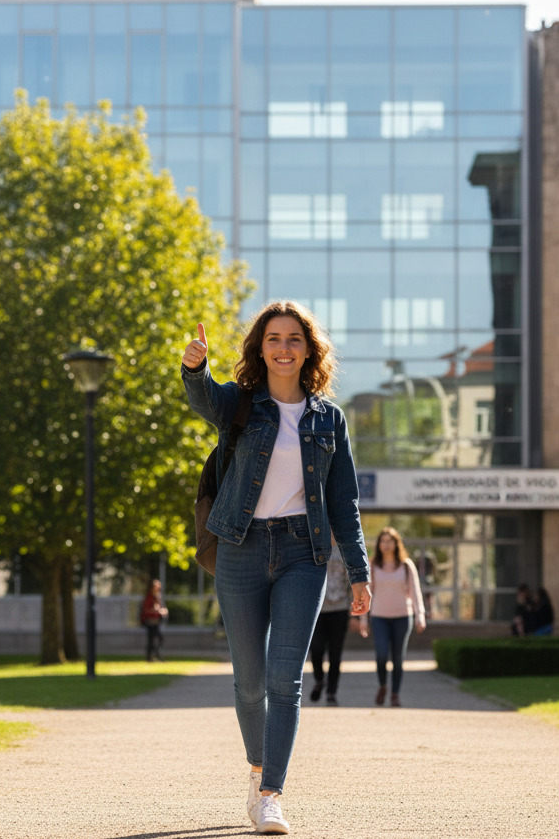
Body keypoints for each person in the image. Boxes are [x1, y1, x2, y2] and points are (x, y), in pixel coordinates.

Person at [182, 301, 371, 836]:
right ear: (260, 349)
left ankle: (271, 795)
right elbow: (204, 397)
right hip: (240, 547)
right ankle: (258, 767)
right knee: (249, 683)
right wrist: (195, 368)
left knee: (285, 679)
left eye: (294, 339)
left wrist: (360, 571)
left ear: (309, 350)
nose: (283, 348)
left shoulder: (329, 419)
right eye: (273, 339)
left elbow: (344, 502)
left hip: (302, 554)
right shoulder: (240, 403)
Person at [358, 527, 426, 707]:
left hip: (403, 617)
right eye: (383, 541)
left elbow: (416, 592)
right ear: (379, 544)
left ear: (397, 544)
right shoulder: (373, 565)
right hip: (379, 616)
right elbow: (367, 594)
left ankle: (395, 694)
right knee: (381, 655)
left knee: (398, 658)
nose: (386, 544)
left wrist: (420, 616)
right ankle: (383, 686)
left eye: (390, 541)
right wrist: (363, 619)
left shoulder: (406, 565)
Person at [308, 539, 350, 706]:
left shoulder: (344, 548)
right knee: (316, 649)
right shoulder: (313, 544)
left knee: (335, 654)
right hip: (317, 609)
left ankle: (332, 692)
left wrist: (354, 612)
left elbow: (351, 580)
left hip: (340, 608)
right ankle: (319, 680)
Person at [139, 578, 169, 661]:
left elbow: (161, 607)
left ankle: (153, 655)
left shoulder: (157, 597)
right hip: (150, 621)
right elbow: (146, 610)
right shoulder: (149, 597)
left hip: (156, 621)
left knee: (156, 639)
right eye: (156, 587)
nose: (158, 589)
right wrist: (157, 610)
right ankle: (152, 656)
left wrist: (163, 610)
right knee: (153, 639)